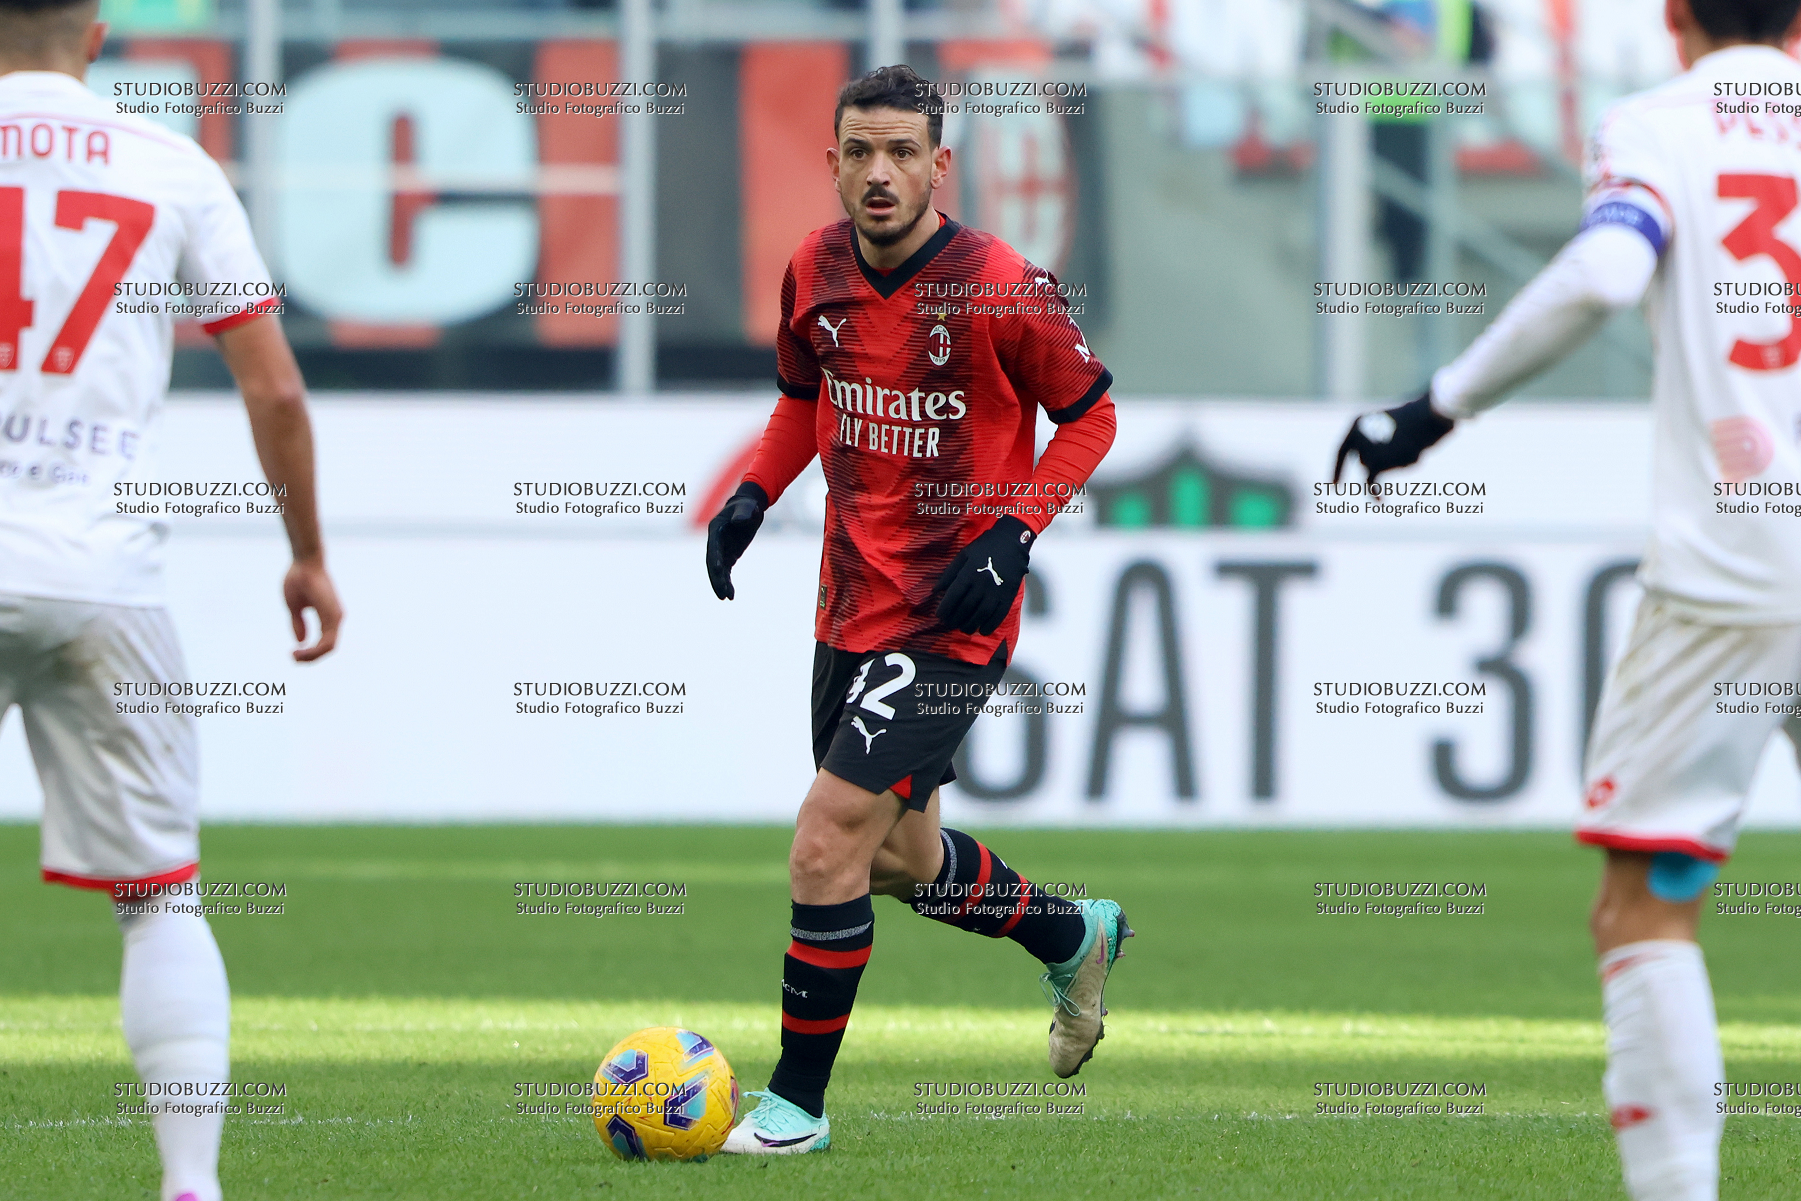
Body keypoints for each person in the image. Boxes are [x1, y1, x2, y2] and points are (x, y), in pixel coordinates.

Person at [1333, 2, 1801, 1196]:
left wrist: (1433, 409)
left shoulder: (1656, 125)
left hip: (1735, 574)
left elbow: (1603, 272)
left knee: (1647, 906)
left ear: (1673, 17)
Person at [703, 64, 1126, 1154]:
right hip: (848, 604)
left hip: (951, 615)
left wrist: (1014, 530)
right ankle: (1069, 934)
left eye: (901, 152)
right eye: (860, 152)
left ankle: (795, 1107)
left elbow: (1089, 418)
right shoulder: (814, 268)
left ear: (940, 165)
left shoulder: (998, 285)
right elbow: (802, 398)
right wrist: (754, 493)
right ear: (833, 162)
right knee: (893, 860)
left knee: (822, 844)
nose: (879, 173)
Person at [0, 4, 343, 1199]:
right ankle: (191, 1184)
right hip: (103, 574)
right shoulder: (171, 164)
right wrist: (306, 553)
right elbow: (276, 391)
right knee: (158, 896)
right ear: (96, 36)